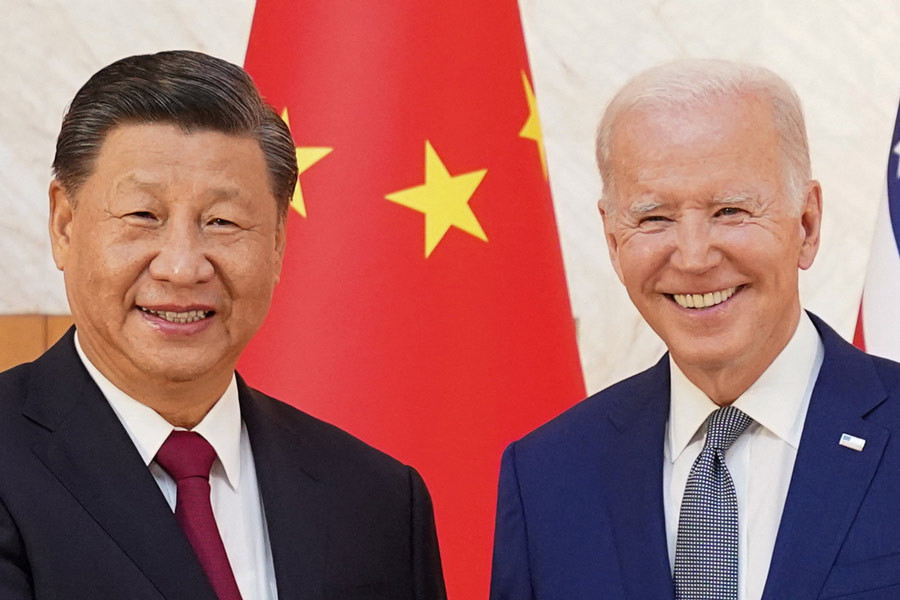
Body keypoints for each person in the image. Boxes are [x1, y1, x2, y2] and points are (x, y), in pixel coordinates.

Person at [0, 50, 446, 600]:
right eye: (144, 215)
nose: (183, 267)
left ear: (278, 243)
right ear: (64, 225)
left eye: (222, 222)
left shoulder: (375, 498)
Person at [490, 59, 900, 600]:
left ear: (807, 224)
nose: (693, 256)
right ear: (613, 240)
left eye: (730, 210)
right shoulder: (548, 474)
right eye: (654, 218)